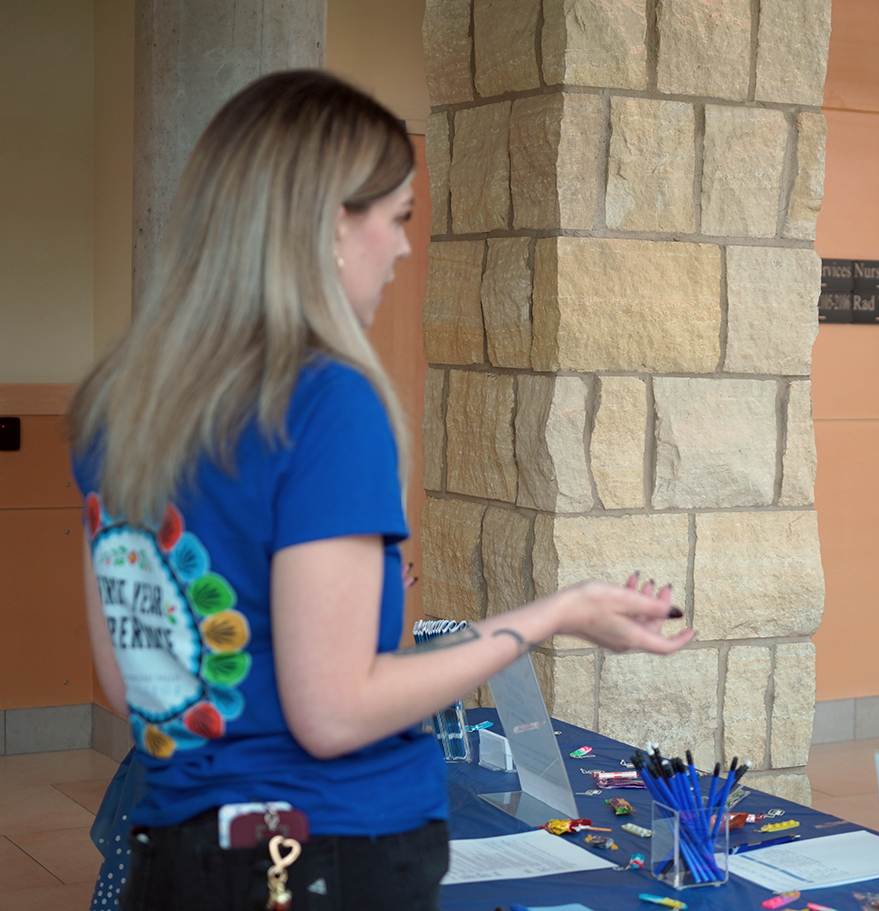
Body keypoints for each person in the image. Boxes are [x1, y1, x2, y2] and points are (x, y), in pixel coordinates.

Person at [70, 70, 694, 911]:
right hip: (319, 858)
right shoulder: (327, 400)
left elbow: (125, 678)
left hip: (176, 855)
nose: (405, 248)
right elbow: (334, 711)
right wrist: (554, 614)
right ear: (332, 223)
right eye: (397, 218)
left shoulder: (117, 403)